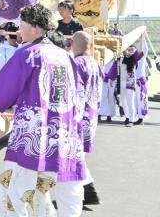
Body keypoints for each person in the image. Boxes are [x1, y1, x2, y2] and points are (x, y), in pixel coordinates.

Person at [0, 3, 84, 217]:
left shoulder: (28, 54)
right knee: (41, 194)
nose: (19, 30)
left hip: (31, 140)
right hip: (62, 138)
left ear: (35, 28)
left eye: (22, 25)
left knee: (12, 195)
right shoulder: (64, 56)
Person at [67, 31, 102, 207]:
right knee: (78, 156)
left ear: (73, 43)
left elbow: (75, 93)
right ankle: (89, 192)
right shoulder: (94, 63)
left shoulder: (77, 63)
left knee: (73, 157)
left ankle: (79, 196)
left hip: (78, 117)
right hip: (92, 116)